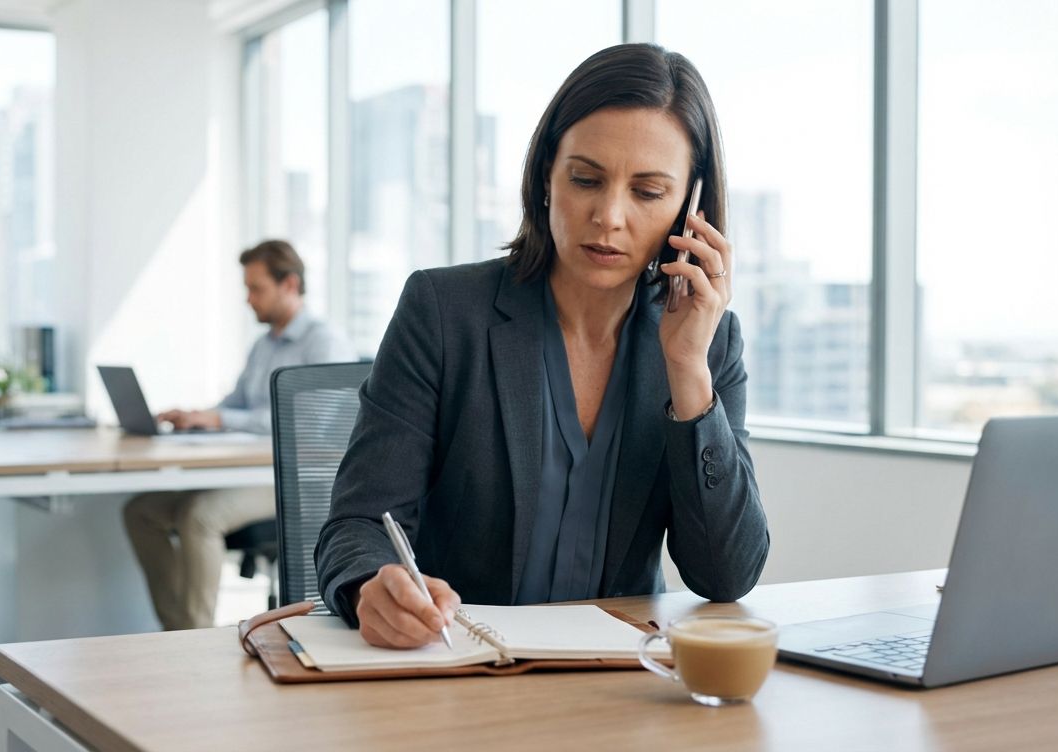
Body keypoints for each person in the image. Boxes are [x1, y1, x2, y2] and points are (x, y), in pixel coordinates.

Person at [314, 43, 770, 650]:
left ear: (691, 207)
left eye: (648, 192)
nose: (608, 216)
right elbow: (359, 522)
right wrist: (373, 585)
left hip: (616, 680)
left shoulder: (709, 342)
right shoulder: (444, 312)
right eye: (586, 179)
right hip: (457, 667)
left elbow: (726, 574)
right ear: (546, 178)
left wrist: (687, 369)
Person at [124, 240, 356, 630]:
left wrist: (222, 420)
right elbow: (237, 403)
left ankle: (195, 637)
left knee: (199, 518)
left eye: (257, 288)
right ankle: (178, 626)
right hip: (249, 472)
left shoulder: (324, 342)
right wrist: (201, 416)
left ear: (290, 284)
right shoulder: (263, 345)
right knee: (141, 511)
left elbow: (302, 421)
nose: (249, 300)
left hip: (298, 480)